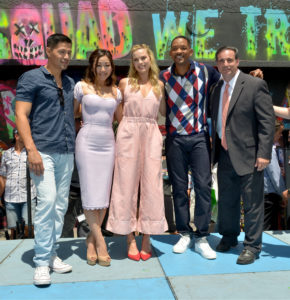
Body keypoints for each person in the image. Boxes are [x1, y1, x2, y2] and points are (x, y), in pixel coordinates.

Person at [15, 33, 75, 285]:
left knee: (60, 206)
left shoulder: (71, 82)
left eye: (68, 52)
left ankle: (51, 253)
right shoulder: (31, 78)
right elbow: (21, 114)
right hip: (43, 152)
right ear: (48, 50)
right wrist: (31, 150)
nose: (66, 56)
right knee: (47, 201)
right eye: (61, 51)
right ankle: (40, 262)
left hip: (67, 151)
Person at [210, 46, 275, 264]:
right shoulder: (217, 88)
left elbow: (267, 121)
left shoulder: (255, 85)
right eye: (221, 61)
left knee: (252, 203)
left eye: (229, 60)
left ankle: (252, 246)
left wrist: (264, 153)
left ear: (237, 61)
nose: (225, 64)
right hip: (224, 154)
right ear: (217, 64)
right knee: (227, 201)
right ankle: (229, 237)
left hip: (250, 155)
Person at [159, 36, 220, 259]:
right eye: (175, 48)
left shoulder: (205, 72)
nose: (179, 51)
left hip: (199, 138)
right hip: (175, 139)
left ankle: (201, 236)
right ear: (170, 53)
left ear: (191, 50)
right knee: (179, 187)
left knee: (203, 186)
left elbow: (227, 83)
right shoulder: (162, 76)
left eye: (183, 48)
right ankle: (184, 232)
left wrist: (252, 77)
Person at [106, 44, 167, 261]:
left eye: (143, 58)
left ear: (150, 59)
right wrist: (127, 130)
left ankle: (147, 237)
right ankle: (129, 236)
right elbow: (118, 113)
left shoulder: (159, 85)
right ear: (132, 63)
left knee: (152, 184)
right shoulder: (124, 84)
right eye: (135, 59)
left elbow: (164, 112)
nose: (140, 62)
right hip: (128, 132)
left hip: (151, 134)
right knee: (125, 184)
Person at [74, 49, 122, 267]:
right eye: (99, 65)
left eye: (107, 65)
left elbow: (120, 119)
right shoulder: (81, 87)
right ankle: (101, 241)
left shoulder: (116, 91)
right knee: (89, 192)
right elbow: (74, 113)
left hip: (108, 142)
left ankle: (91, 241)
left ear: (111, 66)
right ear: (92, 66)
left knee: (103, 194)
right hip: (86, 142)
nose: (103, 69)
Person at [0, 128, 37, 239]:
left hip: (28, 197)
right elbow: (2, 176)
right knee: (14, 232)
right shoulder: (6, 154)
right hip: (10, 198)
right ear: (16, 136)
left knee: (28, 230)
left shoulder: (32, 153)